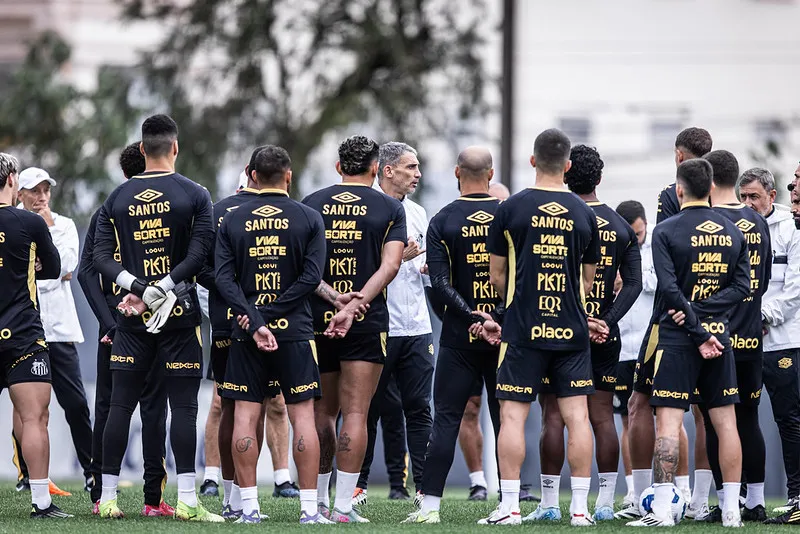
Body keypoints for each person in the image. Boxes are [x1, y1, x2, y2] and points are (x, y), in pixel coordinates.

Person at [92, 114, 222, 522]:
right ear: (176, 147)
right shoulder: (195, 194)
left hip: (130, 319)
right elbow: (200, 257)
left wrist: (138, 288)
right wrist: (163, 288)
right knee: (183, 407)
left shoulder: (115, 198)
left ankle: (108, 499)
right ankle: (186, 501)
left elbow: (98, 258)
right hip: (180, 317)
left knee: (119, 406)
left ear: (142, 149)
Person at [477, 128, 601, 526]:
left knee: (512, 416)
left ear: (532, 161)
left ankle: (510, 506)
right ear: (567, 166)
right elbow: (588, 280)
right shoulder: (585, 213)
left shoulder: (510, 208)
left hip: (521, 328)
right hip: (571, 329)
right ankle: (580, 511)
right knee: (577, 418)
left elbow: (496, 275)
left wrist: (515, 303)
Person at [626, 158, 749, 528]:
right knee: (726, 423)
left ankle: (662, 512)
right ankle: (731, 511)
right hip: (718, 337)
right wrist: (707, 327)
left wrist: (693, 320)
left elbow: (668, 289)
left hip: (678, 338)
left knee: (667, 422)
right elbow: (743, 288)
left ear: (679, 190)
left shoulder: (666, 231)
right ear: (711, 188)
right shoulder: (732, 232)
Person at [214, 145, 329, 524]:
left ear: (251, 174)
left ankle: (248, 507)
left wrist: (254, 318)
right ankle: (310, 510)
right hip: (294, 332)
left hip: (246, 333)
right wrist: (272, 316)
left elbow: (223, 280)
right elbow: (311, 279)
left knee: (245, 417)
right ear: (289, 175)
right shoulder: (309, 218)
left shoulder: (232, 218)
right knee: (303, 418)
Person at [531, 145, 642, 523]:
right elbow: (634, 285)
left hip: (558, 329)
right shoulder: (621, 226)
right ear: (599, 178)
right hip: (603, 335)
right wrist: (607, 320)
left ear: (565, 173)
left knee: (553, 417)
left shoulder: (557, 217)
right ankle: (606, 504)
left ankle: (548, 505)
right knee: (601, 418)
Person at [303, 135, 406, 523]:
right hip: (367, 320)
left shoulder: (310, 203)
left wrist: (334, 301)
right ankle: (344, 506)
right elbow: (391, 266)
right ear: (376, 168)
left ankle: (319, 504)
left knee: (322, 413)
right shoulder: (389, 207)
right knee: (357, 414)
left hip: (317, 319)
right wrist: (357, 304)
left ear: (337, 167)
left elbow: (304, 270)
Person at [402, 147, 502, 524]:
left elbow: (440, 283)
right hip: (503, 335)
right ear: (490, 174)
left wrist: (469, 316)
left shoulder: (443, 219)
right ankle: (509, 504)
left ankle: (430, 509)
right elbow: (520, 282)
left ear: (458, 172)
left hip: (459, 337)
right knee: (505, 419)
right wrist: (495, 318)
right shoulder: (507, 215)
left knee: (445, 418)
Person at [622, 127, 714, 520]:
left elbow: (667, 264)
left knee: (646, 404)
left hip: (672, 318)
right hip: (719, 322)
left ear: (679, 157)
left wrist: (681, 308)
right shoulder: (725, 201)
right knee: (709, 412)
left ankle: (651, 498)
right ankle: (704, 502)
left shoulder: (669, 195)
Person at [78, 143, 172, 517]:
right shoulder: (167, 210)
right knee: (153, 411)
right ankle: (152, 501)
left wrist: (109, 323)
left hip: (117, 329)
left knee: (109, 408)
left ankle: (102, 495)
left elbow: (87, 272)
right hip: (158, 326)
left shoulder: (110, 209)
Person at [357, 142, 433, 506]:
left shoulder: (419, 213)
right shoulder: (366, 210)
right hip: (379, 326)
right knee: (366, 409)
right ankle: (355, 488)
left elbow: (429, 275)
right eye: (410, 167)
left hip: (417, 328)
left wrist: (430, 270)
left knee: (419, 408)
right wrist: (399, 258)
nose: (417, 174)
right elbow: (359, 268)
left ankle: (424, 491)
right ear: (388, 170)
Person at [699, 150, 771, 522]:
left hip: (715, 337)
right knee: (749, 419)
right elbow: (765, 280)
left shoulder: (708, 221)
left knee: (716, 420)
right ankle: (755, 500)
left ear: (709, 180)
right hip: (750, 336)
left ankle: (730, 499)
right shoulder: (758, 222)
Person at [13, 167, 93, 493]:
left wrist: (46, 236)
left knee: (75, 403)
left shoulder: (64, 225)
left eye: (46, 189)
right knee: (26, 405)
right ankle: (27, 475)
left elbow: (66, 267)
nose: (41, 196)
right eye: (34, 190)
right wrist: (46, 264)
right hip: (21, 326)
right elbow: (29, 269)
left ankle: (91, 471)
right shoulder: (11, 222)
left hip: (59, 329)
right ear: (19, 192)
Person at [0, 152, 70, 518]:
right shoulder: (28, 222)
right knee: (33, 418)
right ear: (12, 179)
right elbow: (52, 269)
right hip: (23, 336)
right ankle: (41, 502)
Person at [739, 166, 800, 514]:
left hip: (781, 341)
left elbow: (793, 291)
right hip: (744, 342)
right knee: (741, 418)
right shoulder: (733, 227)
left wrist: (759, 317)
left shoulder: (791, 228)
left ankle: (796, 497)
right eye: (743, 197)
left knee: (788, 420)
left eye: (754, 197)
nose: (748, 203)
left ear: (771, 196)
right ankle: (750, 499)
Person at [455, 180, 512, 503]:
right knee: (469, 408)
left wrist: (498, 320)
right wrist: (472, 321)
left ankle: (511, 483)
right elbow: (441, 287)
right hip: (467, 335)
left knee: (508, 411)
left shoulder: (513, 236)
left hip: (505, 336)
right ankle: (478, 481)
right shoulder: (459, 230)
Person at [614, 200, 656, 510]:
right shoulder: (610, 245)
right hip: (619, 346)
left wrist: (631, 275)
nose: (636, 239)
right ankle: (633, 488)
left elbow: (661, 282)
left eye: (639, 234)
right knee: (627, 419)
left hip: (649, 343)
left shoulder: (656, 245)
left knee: (662, 418)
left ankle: (668, 488)